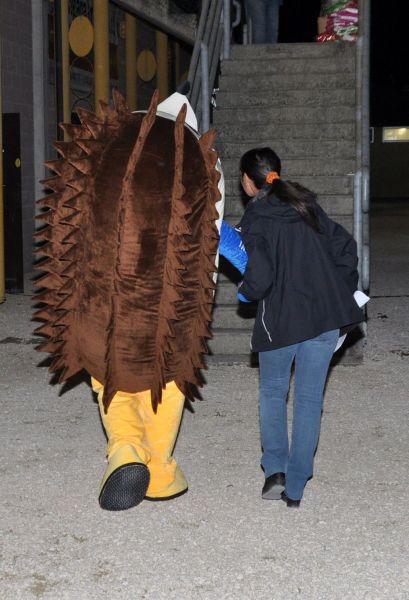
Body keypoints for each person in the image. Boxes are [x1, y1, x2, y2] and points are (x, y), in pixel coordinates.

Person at [34, 90, 224, 511]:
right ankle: (160, 471)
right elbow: (210, 231)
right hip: (171, 301)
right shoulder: (196, 155)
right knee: (168, 378)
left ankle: (124, 450)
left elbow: (63, 216)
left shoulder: (107, 141)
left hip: (101, 299)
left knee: (111, 372)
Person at [236, 147, 363, 507]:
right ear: (277, 173)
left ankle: (275, 469)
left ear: (248, 182)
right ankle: (296, 487)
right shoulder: (307, 207)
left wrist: (246, 290)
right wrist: (339, 287)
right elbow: (346, 248)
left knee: (273, 393)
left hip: (282, 322)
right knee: (309, 401)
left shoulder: (257, 218)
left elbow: (259, 280)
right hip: (324, 318)